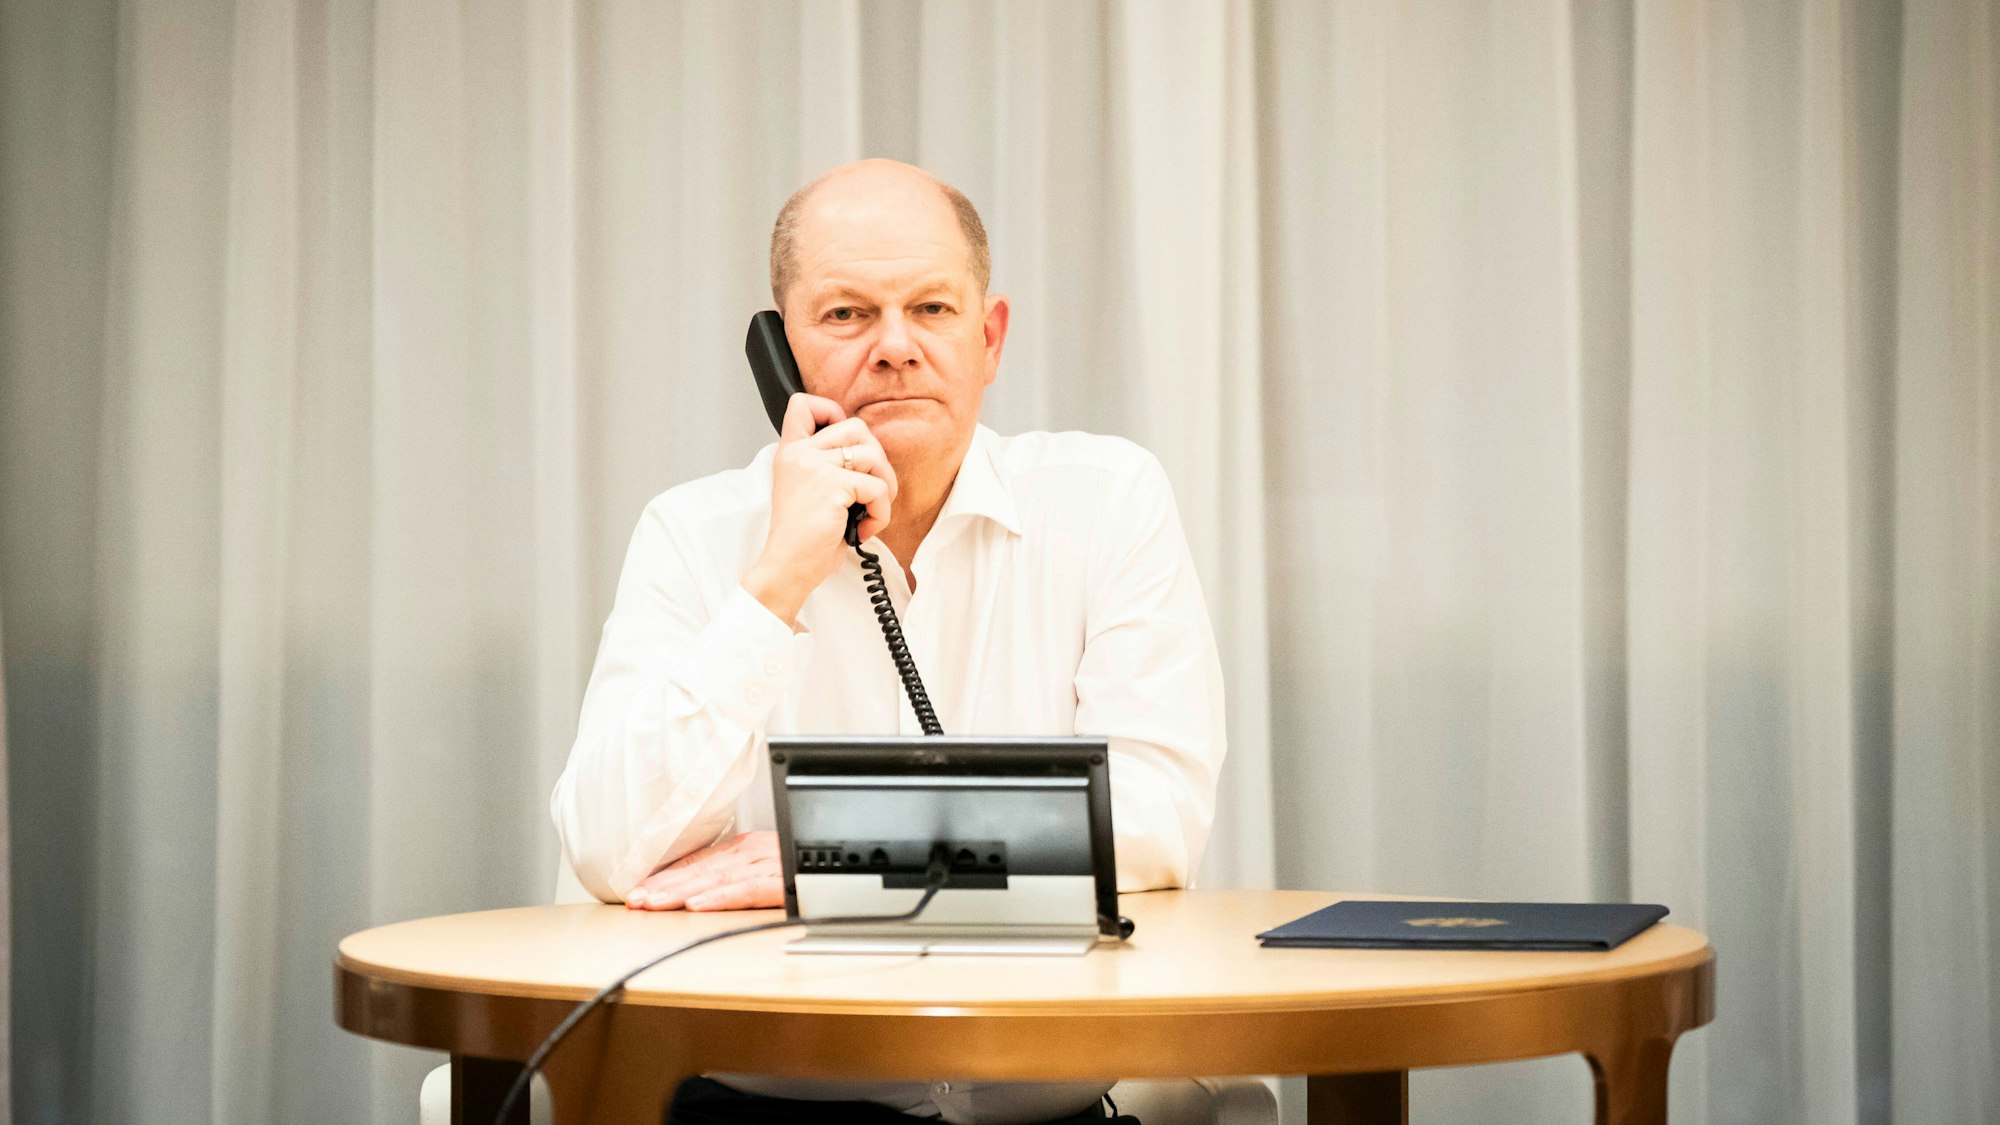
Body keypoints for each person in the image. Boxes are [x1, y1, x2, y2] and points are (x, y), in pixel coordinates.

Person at [551, 158, 1226, 1125]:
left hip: (1048, 1114)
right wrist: (777, 578)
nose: (896, 348)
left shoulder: (1108, 501)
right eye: (846, 315)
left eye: (934, 311)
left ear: (989, 337)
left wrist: (829, 853)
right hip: (761, 1109)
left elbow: (1155, 817)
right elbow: (608, 847)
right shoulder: (695, 533)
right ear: (779, 353)